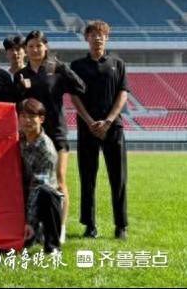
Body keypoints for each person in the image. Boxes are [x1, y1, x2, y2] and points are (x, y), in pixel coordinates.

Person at [14, 30, 85, 243]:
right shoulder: (22, 74)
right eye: (31, 46)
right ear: (25, 50)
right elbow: (16, 104)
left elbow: (81, 87)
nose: (35, 49)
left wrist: (64, 68)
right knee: (32, 181)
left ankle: (59, 227)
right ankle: (34, 226)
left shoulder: (55, 69)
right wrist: (20, 89)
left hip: (56, 132)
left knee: (59, 180)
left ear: (46, 47)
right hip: (30, 134)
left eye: (39, 45)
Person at [70, 20, 129, 240]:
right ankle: (90, 225)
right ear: (86, 38)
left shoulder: (118, 64)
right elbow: (74, 96)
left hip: (113, 128)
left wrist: (109, 121)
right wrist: (89, 121)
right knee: (87, 178)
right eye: (93, 34)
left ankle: (121, 225)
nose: (97, 38)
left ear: (107, 38)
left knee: (118, 177)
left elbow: (123, 93)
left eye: (101, 34)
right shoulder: (77, 66)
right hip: (87, 128)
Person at [18, 98, 63, 254]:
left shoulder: (46, 149)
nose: (27, 121)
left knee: (47, 193)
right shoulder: (20, 138)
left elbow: (37, 187)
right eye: (23, 116)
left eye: (32, 117)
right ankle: (33, 234)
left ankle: (52, 246)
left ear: (41, 119)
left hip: (41, 199)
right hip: (24, 193)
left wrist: (29, 222)